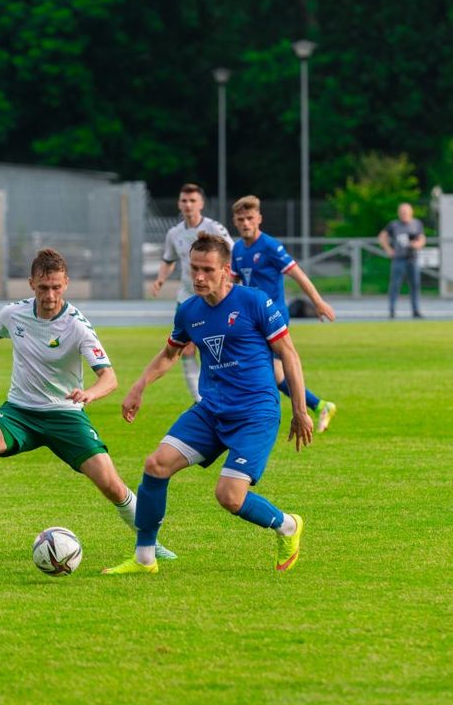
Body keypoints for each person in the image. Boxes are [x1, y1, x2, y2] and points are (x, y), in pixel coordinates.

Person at [0, 247, 174, 561]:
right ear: (32, 283)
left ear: (66, 284)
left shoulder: (77, 326)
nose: (50, 295)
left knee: (112, 485)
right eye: (44, 287)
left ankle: (149, 541)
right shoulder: (14, 314)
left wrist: (89, 394)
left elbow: (110, 378)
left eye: (57, 287)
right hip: (19, 412)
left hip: (65, 416)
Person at [101, 232, 313, 575]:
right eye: (194, 269)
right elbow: (169, 354)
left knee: (229, 496)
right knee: (156, 465)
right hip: (211, 410)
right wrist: (138, 386)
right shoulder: (189, 311)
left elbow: (288, 353)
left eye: (207, 269)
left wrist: (300, 410)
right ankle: (144, 558)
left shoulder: (254, 302)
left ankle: (287, 525)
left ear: (226, 270)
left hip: (255, 413)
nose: (199, 277)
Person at [229, 195, 338, 433]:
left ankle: (256, 418)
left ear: (259, 218)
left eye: (250, 218)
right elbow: (233, 283)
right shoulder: (237, 249)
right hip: (250, 318)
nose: (246, 223)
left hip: (273, 316)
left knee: (252, 365)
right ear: (235, 222)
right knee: (276, 374)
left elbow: (297, 273)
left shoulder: (270, 246)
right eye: (241, 219)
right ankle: (319, 405)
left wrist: (317, 302)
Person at [150, 183, 233, 402]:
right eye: (184, 201)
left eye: (192, 201)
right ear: (179, 204)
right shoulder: (174, 233)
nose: (188, 205)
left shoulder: (215, 229)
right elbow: (168, 260)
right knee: (185, 350)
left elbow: (232, 255)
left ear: (201, 204)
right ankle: (200, 400)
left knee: (218, 346)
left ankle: (224, 391)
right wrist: (160, 279)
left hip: (215, 298)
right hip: (187, 298)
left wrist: (230, 284)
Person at [377, 202, 426, 319]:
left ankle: (416, 310)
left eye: (406, 212)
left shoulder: (416, 224)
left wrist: (417, 244)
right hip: (399, 259)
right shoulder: (394, 225)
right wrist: (388, 249)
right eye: (402, 212)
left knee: (415, 285)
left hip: (413, 259)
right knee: (395, 285)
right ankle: (392, 310)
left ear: (411, 212)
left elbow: (422, 239)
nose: (404, 214)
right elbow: (382, 236)